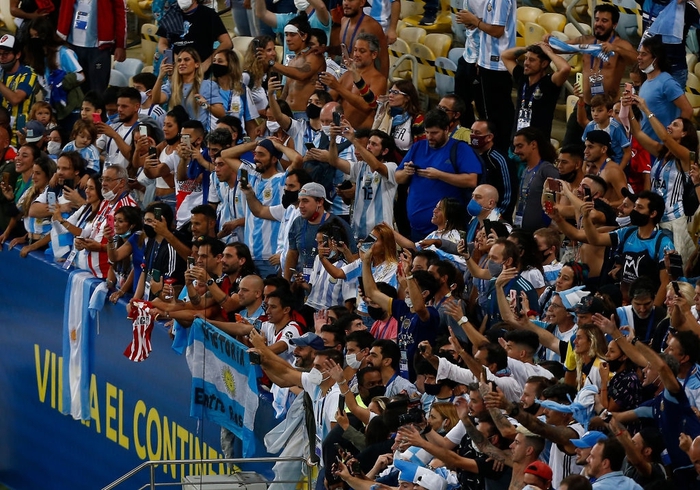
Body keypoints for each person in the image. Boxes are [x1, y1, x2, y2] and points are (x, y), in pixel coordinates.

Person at [625, 93, 696, 263]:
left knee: (670, 269)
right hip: (655, 219)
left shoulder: (688, 156)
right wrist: (628, 109)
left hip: (673, 221)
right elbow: (638, 132)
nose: (669, 126)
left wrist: (645, 108)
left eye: (675, 125)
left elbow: (664, 136)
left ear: (685, 133)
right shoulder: (662, 152)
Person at [557, 4, 638, 146]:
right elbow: (560, 47)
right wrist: (548, 40)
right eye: (597, 19)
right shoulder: (586, 41)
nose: (599, 24)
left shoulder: (621, 44)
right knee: (570, 148)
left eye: (604, 21)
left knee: (603, 151)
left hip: (609, 110)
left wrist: (616, 49)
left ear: (614, 24)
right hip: (586, 105)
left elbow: (637, 60)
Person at [395, 109, 482, 241]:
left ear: (447, 129)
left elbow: (471, 180)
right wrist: (406, 172)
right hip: (416, 229)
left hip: (446, 231)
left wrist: (439, 175)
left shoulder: (460, 149)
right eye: (427, 132)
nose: (429, 137)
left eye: (434, 133)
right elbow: (398, 178)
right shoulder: (418, 147)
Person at [222, 138, 298, 278]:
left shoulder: (282, 180)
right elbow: (225, 154)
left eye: (261, 155)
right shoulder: (252, 176)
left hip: (271, 256)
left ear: (274, 159)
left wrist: (278, 145)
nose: (256, 158)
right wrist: (256, 143)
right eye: (255, 154)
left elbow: (298, 160)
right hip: (250, 254)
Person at [455, 0, 516, 152]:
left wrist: (474, 21)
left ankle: (498, 155)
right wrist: (472, 22)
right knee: (461, 105)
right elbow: (476, 22)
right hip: (473, 55)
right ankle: (470, 145)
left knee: (492, 118)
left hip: (493, 64)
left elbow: (497, 30)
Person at [330, 120, 397, 242]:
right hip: (358, 233)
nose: (369, 146)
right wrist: (333, 139)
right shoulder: (360, 167)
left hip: (380, 235)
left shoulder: (391, 167)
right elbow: (334, 160)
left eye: (374, 145)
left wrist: (354, 140)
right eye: (369, 143)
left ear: (385, 151)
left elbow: (377, 166)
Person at [284, 182, 356, 281]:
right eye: (299, 201)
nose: (300, 205)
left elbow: (354, 258)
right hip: (303, 284)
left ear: (320, 202)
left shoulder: (338, 225)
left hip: (330, 285)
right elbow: (292, 253)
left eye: (305, 201)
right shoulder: (298, 223)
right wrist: (286, 281)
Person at [502, 42, 570, 141]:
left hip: (538, 145)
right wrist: (528, 48)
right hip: (516, 143)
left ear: (544, 64)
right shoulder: (522, 77)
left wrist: (548, 52)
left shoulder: (550, 82)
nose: (526, 63)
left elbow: (565, 68)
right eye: (526, 58)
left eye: (532, 60)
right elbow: (505, 56)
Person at [56, 0, 126, 94]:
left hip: (98, 48)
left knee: (97, 92)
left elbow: (120, 12)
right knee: (73, 91)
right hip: (70, 45)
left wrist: (120, 45)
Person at [320, 33, 387, 129]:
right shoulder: (347, 75)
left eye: (362, 51)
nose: (356, 54)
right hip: (341, 131)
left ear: (374, 54)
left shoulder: (379, 79)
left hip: (361, 135)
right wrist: (321, 90)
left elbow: (366, 105)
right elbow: (330, 100)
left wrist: (338, 87)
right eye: (355, 50)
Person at [636, 35, 692, 144]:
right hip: (647, 145)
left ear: (656, 59)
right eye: (639, 53)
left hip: (662, 147)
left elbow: (688, 110)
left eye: (644, 54)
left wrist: (674, 142)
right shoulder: (645, 83)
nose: (639, 57)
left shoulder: (667, 82)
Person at [153, 47, 224, 131]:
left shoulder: (207, 85)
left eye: (186, 60)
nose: (182, 63)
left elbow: (221, 113)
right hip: (177, 134)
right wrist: (160, 77)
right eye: (179, 61)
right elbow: (156, 100)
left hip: (197, 134)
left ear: (196, 64)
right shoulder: (172, 84)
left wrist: (205, 105)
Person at [266, 17, 326, 117]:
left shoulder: (314, 56)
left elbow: (301, 74)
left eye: (292, 35)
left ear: (304, 36)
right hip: (288, 115)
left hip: (305, 115)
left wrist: (272, 63)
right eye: (286, 35)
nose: (288, 39)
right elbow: (285, 93)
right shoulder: (292, 62)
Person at [155, 0, 232, 74]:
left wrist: (208, 62)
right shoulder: (170, 15)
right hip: (177, 70)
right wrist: (174, 57)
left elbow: (227, 43)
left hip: (201, 71)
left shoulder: (208, 14)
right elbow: (162, 44)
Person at [511, 127, 559, 232]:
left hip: (542, 235)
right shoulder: (525, 170)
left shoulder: (548, 170)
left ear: (533, 144)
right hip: (524, 232)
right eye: (515, 147)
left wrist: (551, 225)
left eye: (520, 146)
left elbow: (559, 199)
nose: (516, 151)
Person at [468, 121, 515, 221]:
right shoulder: (470, 155)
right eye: (472, 132)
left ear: (489, 137)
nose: (473, 136)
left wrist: (498, 218)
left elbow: (509, 194)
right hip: (475, 216)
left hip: (495, 218)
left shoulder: (500, 160)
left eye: (477, 133)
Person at [210, 50, 259, 137]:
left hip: (237, 142)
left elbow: (250, 124)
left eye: (220, 61)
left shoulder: (242, 90)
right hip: (214, 141)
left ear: (230, 65)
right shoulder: (208, 88)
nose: (216, 64)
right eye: (214, 61)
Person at [0, 34, 38, 145]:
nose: (2, 57)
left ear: (18, 54)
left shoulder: (28, 73)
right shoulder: (1, 72)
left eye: (6, 54)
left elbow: (16, 99)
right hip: (2, 133)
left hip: (21, 134)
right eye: (0, 54)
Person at [338, 0, 389, 78]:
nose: (346, 3)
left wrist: (382, 84)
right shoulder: (343, 21)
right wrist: (326, 49)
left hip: (364, 78)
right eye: (344, 0)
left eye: (350, 0)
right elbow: (344, 49)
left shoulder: (372, 26)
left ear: (362, 2)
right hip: (345, 74)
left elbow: (383, 59)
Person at [95, 88, 141, 168]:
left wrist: (114, 135)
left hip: (126, 179)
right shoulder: (113, 126)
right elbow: (95, 151)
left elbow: (133, 159)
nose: (119, 109)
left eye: (124, 106)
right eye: (118, 105)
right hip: (106, 178)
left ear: (136, 107)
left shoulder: (142, 129)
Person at [581, 130, 627, 207]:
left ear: (604, 149)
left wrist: (608, 205)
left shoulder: (612, 170)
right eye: (586, 146)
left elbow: (626, 200)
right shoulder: (593, 168)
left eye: (590, 147)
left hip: (609, 216)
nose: (585, 151)